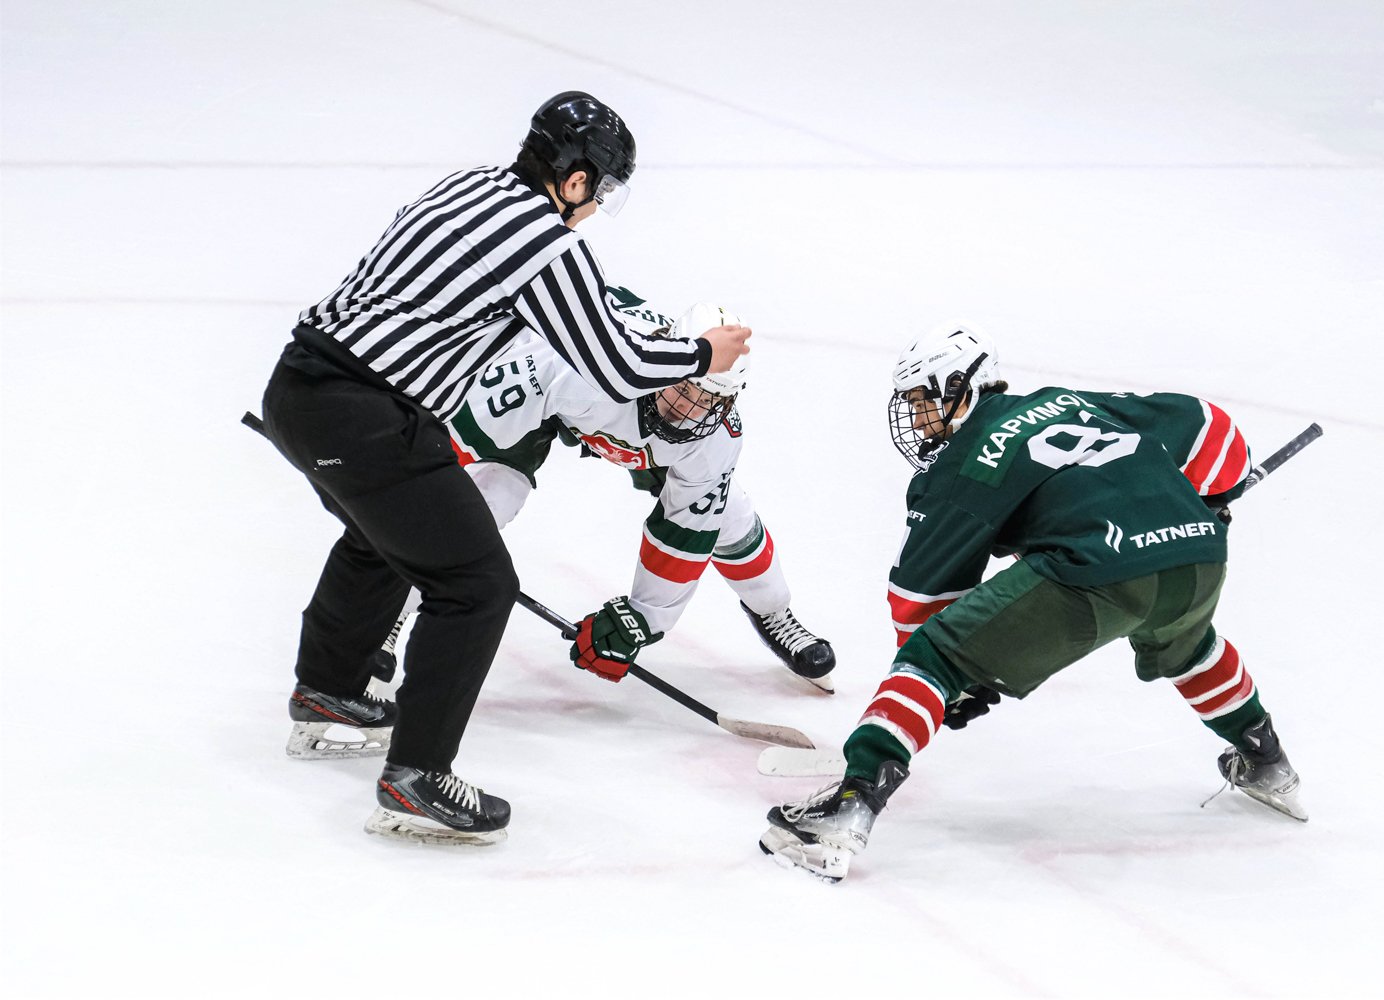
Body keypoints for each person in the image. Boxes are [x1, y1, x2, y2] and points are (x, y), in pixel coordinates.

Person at [259, 91, 751, 847]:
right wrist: (700, 356)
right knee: (477, 585)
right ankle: (417, 777)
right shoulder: (542, 242)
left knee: (379, 538)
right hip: (363, 416)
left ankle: (328, 691)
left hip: (302, 387)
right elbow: (616, 365)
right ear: (576, 179)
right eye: (599, 192)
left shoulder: (468, 186)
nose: (594, 210)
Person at [758, 324, 1305, 883]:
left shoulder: (963, 464)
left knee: (931, 658)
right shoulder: (1068, 401)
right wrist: (1210, 499)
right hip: (1199, 556)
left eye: (923, 401)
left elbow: (918, 602)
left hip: (1099, 569)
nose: (917, 419)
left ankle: (848, 806)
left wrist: (952, 685)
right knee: (1191, 649)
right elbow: (1211, 428)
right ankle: (1267, 761)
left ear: (960, 387)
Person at [369, 292, 836, 692]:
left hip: (623, 427)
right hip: (548, 403)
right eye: (685, 388)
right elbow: (456, 443)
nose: (687, 409)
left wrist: (643, 619)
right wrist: (399, 484)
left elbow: (684, 537)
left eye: (708, 400)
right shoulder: (571, 368)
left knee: (727, 514)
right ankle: (388, 608)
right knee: (483, 498)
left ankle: (773, 611)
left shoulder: (714, 438)